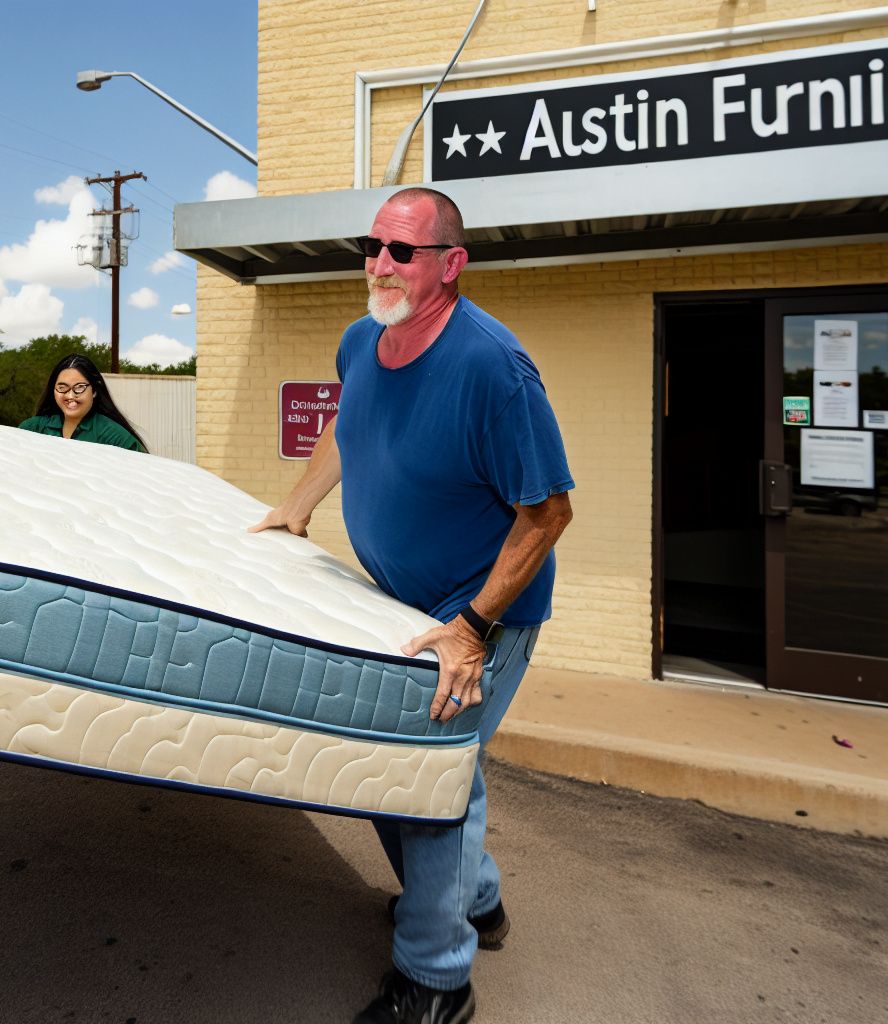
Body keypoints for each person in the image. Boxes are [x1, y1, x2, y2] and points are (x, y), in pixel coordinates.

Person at [250, 188, 574, 1024]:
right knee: (386, 770)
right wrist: (298, 504)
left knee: (430, 779)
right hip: (391, 603)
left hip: (479, 618)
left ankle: (436, 981)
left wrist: (471, 627)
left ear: (451, 264)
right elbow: (346, 429)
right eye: (374, 246)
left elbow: (547, 514)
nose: (381, 264)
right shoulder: (364, 340)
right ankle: (478, 898)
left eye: (403, 251)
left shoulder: (492, 369)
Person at [18, 353, 148, 452]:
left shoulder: (114, 436)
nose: (70, 395)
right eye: (62, 388)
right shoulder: (32, 428)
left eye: (79, 388)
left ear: (94, 391)